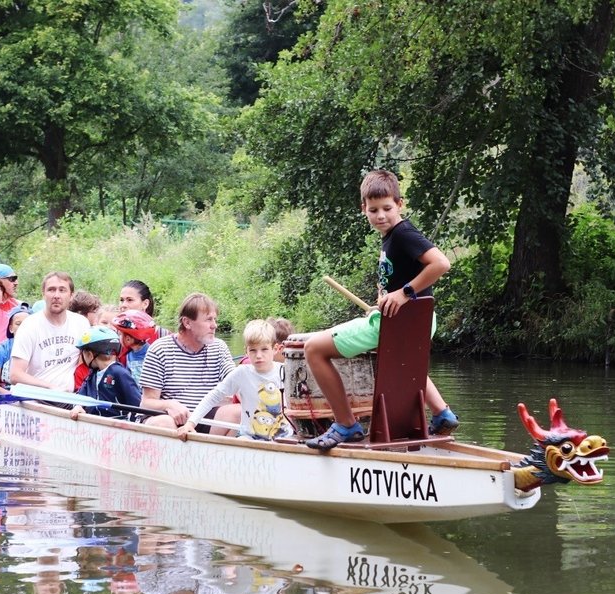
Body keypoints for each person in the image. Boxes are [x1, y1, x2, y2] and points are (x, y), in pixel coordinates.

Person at [304, 169, 458, 450]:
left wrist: (404, 293)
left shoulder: (403, 234)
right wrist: (384, 300)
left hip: (405, 320)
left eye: (387, 208)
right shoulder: (391, 236)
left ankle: (345, 425)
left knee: (314, 348)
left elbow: (441, 264)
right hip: (411, 321)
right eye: (373, 210)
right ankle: (441, 412)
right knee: (398, 356)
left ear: (400, 204)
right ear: (364, 209)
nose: (381, 215)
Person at [139, 293, 239, 434]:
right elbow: (146, 402)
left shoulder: (219, 347)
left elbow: (236, 379)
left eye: (215, 319)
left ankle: (211, 454)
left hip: (202, 418)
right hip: (168, 419)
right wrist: (169, 405)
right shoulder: (160, 349)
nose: (214, 325)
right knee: (164, 423)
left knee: (238, 412)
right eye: (208, 320)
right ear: (187, 323)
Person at [178, 319, 293, 441]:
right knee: (242, 441)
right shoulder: (241, 373)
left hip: (283, 437)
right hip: (249, 437)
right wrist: (191, 423)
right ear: (246, 351)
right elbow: (213, 396)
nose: (258, 355)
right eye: (253, 350)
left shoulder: (286, 371)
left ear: (275, 349)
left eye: (264, 349)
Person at [9, 272, 92, 391]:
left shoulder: (81, 323)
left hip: (70, 398)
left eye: (62, 290)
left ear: (71, 295)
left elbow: (87, 361)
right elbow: (15, 375)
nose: (56, 295)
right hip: (36, 399)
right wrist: (49, 386)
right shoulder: (29, 326)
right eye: (51, 290)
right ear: (43, 294)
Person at [69, 326, 142, 420]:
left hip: (117, 427)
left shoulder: (119, 373)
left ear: (89, 355)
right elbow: (80, 396)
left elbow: (137, 403)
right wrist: (78, 406)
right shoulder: (92, 375)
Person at [111, 309, 159, 386]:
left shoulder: (151, 355)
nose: (118, 337)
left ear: (128, 339)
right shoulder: (129, 354)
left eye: (120, 334)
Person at [0, 304, 31, 389]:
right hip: (6, 397)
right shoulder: (2, 349)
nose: (23, 327)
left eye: (27, 323)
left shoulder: (38, 347)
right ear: (11, 328)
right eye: (18, 324)